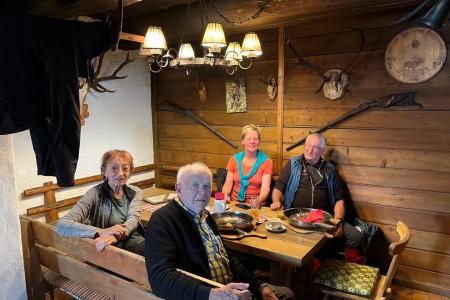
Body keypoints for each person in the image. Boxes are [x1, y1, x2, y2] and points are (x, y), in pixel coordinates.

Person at [145, 162, 295, 300]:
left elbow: (227, 258)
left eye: (206, 186)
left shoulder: (205, 216)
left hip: (227, 288)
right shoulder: (162, 221)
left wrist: (258, 285)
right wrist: (213, 294)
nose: (203, 193)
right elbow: (160, 278)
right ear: (178, 189)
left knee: (286, 294)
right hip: (204, 295)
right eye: (195, 185)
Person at [270, 133, 365, 261]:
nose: (310, 150)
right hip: (296, 216)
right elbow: (279, 187)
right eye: (308, 146)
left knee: (356, 237)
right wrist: (276, 201)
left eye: (315, 148)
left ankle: (347, 270)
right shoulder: (293, 164)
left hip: (324, 217)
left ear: (322, 150)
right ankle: (312, 268)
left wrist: (338, 223)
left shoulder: (329, 170)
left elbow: (339, 200)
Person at [57, 149, 145, 256]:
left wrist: (115, 236)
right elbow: (62, 225)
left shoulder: (135, 192)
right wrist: (101, 231)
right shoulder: (94, 193)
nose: (121, 173)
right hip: (107, 246)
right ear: (104, 171)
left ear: (130, 171)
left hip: (133, 240)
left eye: (125, 168)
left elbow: (133, 218)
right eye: (114, 168)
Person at [222, 124, 273, 207]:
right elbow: (228, 184)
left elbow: (265, 188)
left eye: (255, 138)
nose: (252, 141)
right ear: (243, 141)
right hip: (235, 203)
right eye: (249, 138)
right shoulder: (234, 159)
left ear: (259, 141)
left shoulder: (267, 161)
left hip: (257, 206)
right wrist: (224, 196)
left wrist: (257, 201)